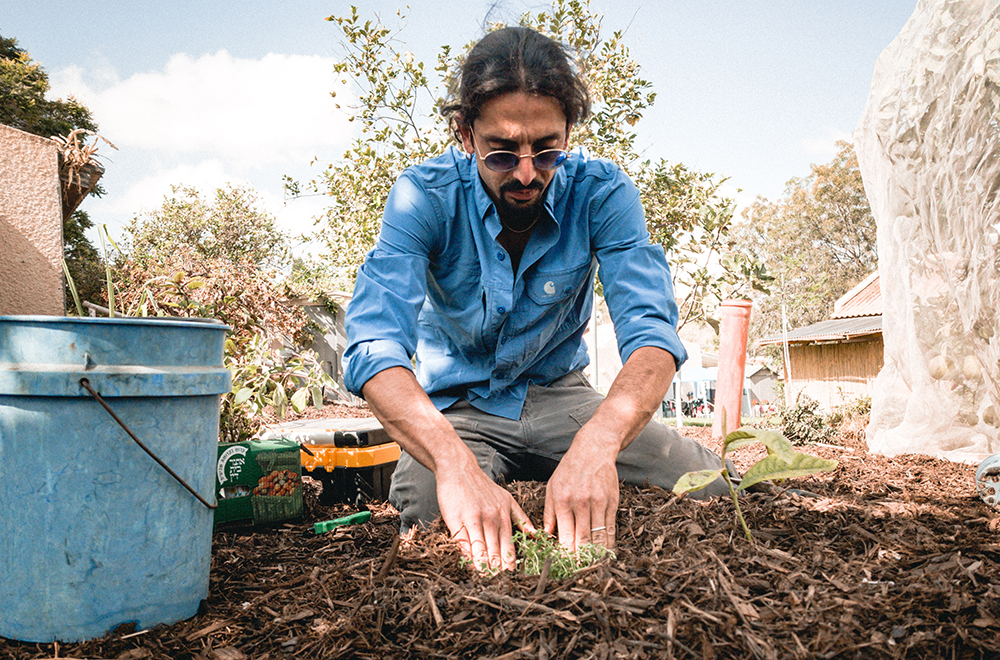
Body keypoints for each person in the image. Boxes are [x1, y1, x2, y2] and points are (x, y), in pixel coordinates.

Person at [343, 26, 730, 571]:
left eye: (547, 150)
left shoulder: (603, 193)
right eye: (502, 153)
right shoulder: (422, 197)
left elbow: (652, 336)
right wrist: (453, 464)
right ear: (465, 134)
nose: (526, 174)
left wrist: (595, 448)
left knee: (711, 487)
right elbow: (372, 345)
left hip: (561, 397)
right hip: (457, 409)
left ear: (568, 132)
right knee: (436, 523)